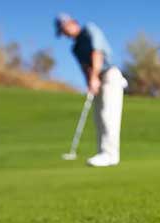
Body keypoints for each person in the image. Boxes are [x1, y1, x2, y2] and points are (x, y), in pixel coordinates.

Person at [55, 13, 127, 167]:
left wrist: (94, 77)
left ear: (72, 23)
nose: (65, 34)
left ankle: (110, 155)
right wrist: (90, 82)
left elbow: (97, 53)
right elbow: (84, 67)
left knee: (109, 115)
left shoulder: (89, 30)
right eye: (62, 32)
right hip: (96, 79)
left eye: (64, 29)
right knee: (98, 117)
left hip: (110, 75)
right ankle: (103, 152)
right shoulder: (75, 48)